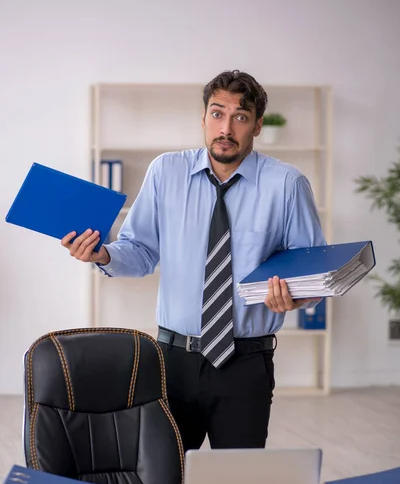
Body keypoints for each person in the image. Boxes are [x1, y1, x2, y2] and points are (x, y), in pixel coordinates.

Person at [62, 70, 325, 451]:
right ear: (203, 119)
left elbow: (308, 271)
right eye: (217, 114)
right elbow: (140, 251)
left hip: (246, 363)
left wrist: (296, 297)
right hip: (172, 362)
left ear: (257, 126)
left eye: (240, 117)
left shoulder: (287, 184)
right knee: (164, 479)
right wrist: (103, 254)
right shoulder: (165, 172)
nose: (226, 128)